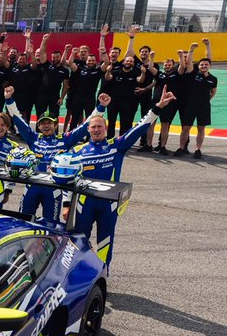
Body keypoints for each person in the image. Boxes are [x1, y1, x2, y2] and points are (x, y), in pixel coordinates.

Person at [72, 88, 176, 265]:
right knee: (78, 240)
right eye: (93, 127)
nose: (96, 129)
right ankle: (77, 271)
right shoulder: (77, 151)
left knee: (105, 241)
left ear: (106, 128)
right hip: (84, 201)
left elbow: (139, 128)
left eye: (100, 127)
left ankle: (102, 274)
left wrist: (157, 108)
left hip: (109, 203)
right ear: (87, 129)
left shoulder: (117, 146)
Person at [4, 86, 101, 222]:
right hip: (32, 186)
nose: (46, 126)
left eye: (49, 123)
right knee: (22, 221)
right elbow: (18, 120)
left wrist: (101, 107)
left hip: (54, 189)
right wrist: (9, 100)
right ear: (38, 126)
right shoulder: (33, 138)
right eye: (43, 123)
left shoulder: (65, 140)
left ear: (56, 125)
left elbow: (85, 126)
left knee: (51, 225)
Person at [176, 39, 215, 159]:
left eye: (206, 64)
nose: (204, 66)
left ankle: (198, 149)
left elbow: (213, 91)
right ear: (198, 66)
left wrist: (206, 100)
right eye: (202, 64)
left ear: (209, 66)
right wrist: (191, 49)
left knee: (201, 128)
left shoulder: (213, 79)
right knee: (186, 127)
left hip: (204, 106)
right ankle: (181, 148)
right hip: (191, 105)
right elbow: (188, 63)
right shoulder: (194, 74)